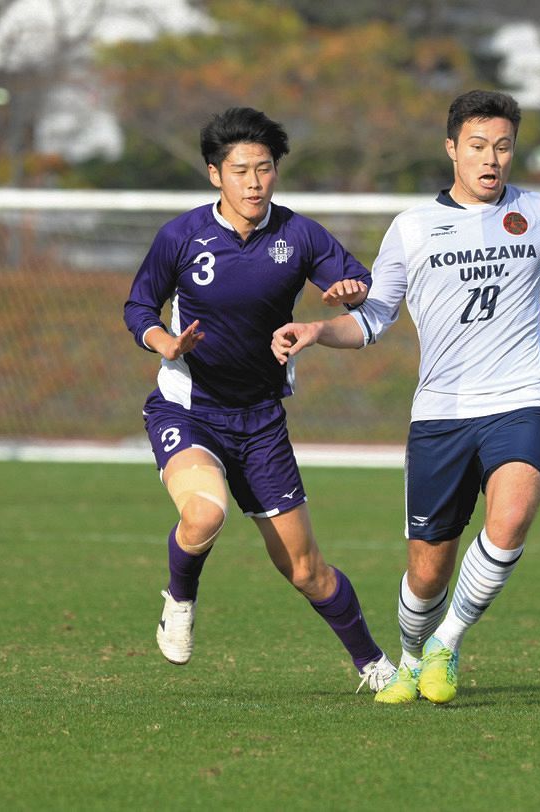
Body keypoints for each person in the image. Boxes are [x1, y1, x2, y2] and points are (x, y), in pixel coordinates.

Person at [271, 89, 540, 704]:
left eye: (503, 147)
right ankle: (413, 655)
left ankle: (448, 643)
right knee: (426, 571)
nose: (491, 159)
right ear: (451, 150)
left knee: (513, 515)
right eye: (477, 147)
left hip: (521, 398)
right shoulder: (412, 229)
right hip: (440, 414)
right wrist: (315, 330)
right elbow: (372, 319)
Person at [122, 107, 396, 693]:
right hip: (187, 409)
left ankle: (374, 665)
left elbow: (358, 287)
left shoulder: (299, 234)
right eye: (241, 169)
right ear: (215, 174)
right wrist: (164, 341)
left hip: (262, 424)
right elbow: (138, 306)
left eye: (264, 169)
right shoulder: (181, 235)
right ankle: (181, 596)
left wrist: (349, 291)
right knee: (205, 512)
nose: (254, 182)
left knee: (306, 571)